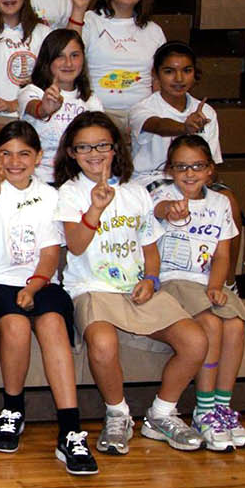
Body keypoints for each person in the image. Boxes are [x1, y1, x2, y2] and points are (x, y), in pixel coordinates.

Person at [52, 111, 205, 455]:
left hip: (137, 287)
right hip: (92, 288)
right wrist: (95, 209)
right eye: (84, 147)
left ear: (115, 148)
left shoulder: (136, 192)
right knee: (103, 344)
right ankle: (118, 413)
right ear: (72, 153)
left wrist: (151, 279)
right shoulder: (71, 192)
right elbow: (75, 245)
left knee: (195, 341)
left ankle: (161, 414)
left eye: (102, 145)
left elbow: (149, 248)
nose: (94, 154)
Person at [0, 122, 95, 474]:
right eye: (6, 153)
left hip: (40, 281)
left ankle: (70, 429)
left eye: (24, 153)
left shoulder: (50, 195)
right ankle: (12, 410)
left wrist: (35, 286)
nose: (14, 161)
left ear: (39, 157)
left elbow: (50, 254)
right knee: (15, 327)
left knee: (54, 324)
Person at [151, 135, 245, 450]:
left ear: (210, 170)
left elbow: (223, 254)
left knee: (235, 325)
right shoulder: (160, 194)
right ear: (170, 170)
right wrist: (169, 210)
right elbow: (157, 211)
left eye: (197, 166)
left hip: (208, 281)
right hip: (174, 281)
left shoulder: (221, 203)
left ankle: (222, 407)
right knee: (210, 323)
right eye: (181, 167)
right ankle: (204, 409)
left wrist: (215, 284)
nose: (190, 173)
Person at [67, 0, 166, 121]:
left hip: (142, 116)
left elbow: (158, 79)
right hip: (97, 113)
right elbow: (66, 52)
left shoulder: (154, 30)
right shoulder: (90, 20)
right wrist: (78, 9)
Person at [129, 42, 222, 187]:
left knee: (227, 198)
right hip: (153, 178)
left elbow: (212, 165)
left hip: (194, 178)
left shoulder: (207, 112)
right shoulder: (141, 109)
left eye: (186, 71)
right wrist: (185, 128)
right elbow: (158, 125)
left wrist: (207, 182)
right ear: (155, 74)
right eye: (169, 71)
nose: (179, 79)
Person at [17, 28, 103, 183]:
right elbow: (35, 109)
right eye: (60, 56)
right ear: (47, 60)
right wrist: (45, 108)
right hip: (41, 181)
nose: (68, 63)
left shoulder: (92, 100)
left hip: (80, 180)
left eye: (75, 56)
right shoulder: (31, 92)